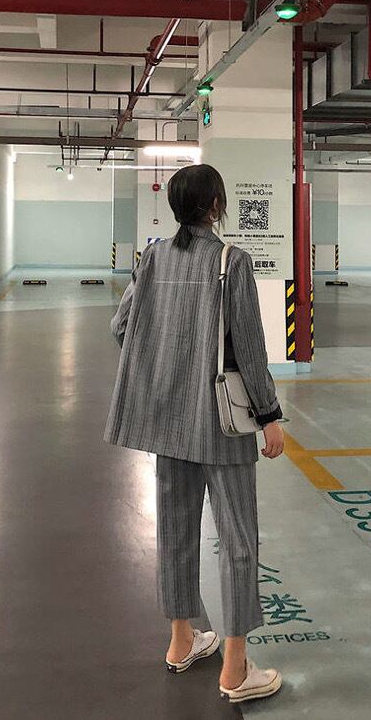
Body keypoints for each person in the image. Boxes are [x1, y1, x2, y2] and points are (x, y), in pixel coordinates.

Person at [104, 163, 285, 704]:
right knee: (238, 540)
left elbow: (121, 327)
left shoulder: (153, 258)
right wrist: (270, 415)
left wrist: (166, 363)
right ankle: (235, 667)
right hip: (222, 427)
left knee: (176, 529)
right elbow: (248, 347)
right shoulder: (232, 261)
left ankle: (182, 640)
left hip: (168, 419)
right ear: (216, 206)